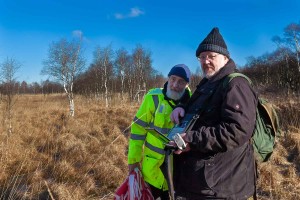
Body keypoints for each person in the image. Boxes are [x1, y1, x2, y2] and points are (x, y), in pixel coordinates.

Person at [170, 27, 258, 200]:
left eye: (211, 56)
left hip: (220, 186)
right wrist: (180, 106)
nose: (206, 61)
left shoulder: (236, 84)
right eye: (202, 57)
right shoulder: (206, 83)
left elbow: (237, 130)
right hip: (198, 181)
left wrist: (191, 139)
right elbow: (195, 108)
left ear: (225, 58)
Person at [128, 64, 192, 200]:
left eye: (181, 82)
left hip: (179, 171)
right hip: (152, 170)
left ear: (187, 85)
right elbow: (137, 131)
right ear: (168, 78)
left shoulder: (192, 102)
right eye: (173, 79)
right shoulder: (153, 98)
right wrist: (133, 161)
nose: (175, 85)